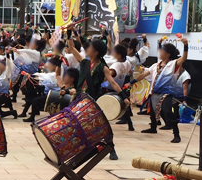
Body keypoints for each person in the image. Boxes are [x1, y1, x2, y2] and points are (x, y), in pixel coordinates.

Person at [67, 32, 130, 160]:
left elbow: (113, 83)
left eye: (89, 47)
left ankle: (111, 148)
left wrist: (124, 97)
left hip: (92, 100)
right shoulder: (84, 62)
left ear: (95, 52)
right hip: (78, 99)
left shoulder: (103, 67)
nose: (87, 49)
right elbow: (71, 48)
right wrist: (69, 33)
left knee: (100, 125)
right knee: (75, 124)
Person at [132, 37, 189, 143]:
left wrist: (185, 46)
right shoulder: (156, 65)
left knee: (166, 111)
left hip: (166, 93)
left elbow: (184, 58)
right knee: (152, 112)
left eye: (162, 51)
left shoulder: (173, 64)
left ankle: (176, 134)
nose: (160, 52)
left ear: (168, 54)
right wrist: (131, 83)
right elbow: (144, 74)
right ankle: (153, 128)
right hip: (154, 92)